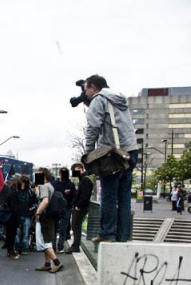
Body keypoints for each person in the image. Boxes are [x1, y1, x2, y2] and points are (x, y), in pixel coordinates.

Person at [84, 74, 139, 244]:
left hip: (114, 153)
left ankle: (107, 234)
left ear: (93, 87)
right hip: (131, 151)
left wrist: (89, 152)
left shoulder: (98, 100)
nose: (85, 93)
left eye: (86, 89)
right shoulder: (119, 99)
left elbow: (93, 127)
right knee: (124, 196)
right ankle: (122, 236)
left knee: (108, 194)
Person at [34, 167, 63, 273]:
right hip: (49, 217)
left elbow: (45, 201)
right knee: (46, 239)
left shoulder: (44, 186)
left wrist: (38, 212)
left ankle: (57, 262)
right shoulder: (50, 186)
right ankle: (47, 264)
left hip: (44, 217)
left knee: (42, 241)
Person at [66, 163, 95, 254]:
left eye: (75, 170)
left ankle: (75, 245)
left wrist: (78, 206)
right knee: (76, 226)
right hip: (81, 206)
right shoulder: (85, 179)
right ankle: (75, 245)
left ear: (81, 169)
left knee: (76, 226)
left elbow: (85, 195)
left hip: (80, 207)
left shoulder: (85, 180)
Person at [52, 167, 76, 253]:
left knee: (63, 228)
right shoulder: (55, 183)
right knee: (55, 228)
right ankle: (54, 247)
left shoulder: (70, 184)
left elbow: (74, 196)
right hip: (56, 208)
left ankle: (60, 246)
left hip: (66, 207)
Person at [14, 175, 36, 255]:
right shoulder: (17, 192)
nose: (23, 184)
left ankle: (23, 248)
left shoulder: (30, 192)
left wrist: (32, 210)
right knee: (18, 233)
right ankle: (19, 248)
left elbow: (34, 203)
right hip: (20, 215)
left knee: (25, 233)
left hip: (26, 215)